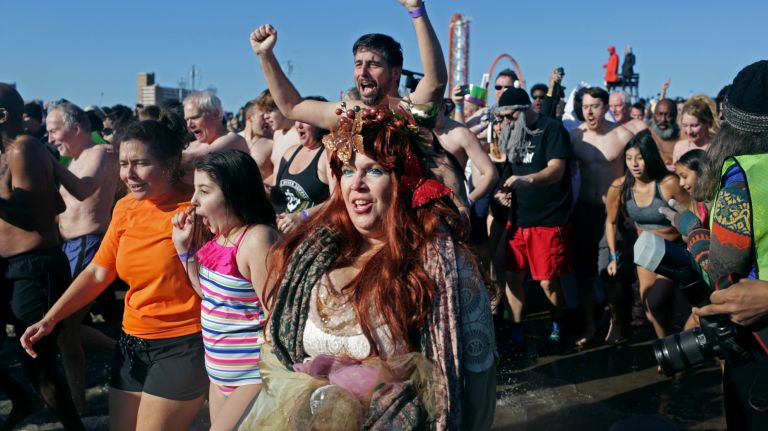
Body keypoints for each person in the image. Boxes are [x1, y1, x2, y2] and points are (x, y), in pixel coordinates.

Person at [239, 102, 495, 430]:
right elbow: (281, 351)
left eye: (374, 170)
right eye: (347, 170)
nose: (356, 183)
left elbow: (476, 391)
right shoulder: (317, 254)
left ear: (404, 182)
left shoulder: (444, 266)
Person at [21, 119, 209, 431]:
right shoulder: (124, 208)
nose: (129, 174)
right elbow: (97, 272)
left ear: (170, 163)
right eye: (123, 164)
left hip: (183, 344)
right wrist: (50, 318)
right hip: (131, 342)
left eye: (141, 163)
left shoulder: (197, 207)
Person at [249, 0, 467, 215]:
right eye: (358, 64)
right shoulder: (351, 112)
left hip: (413, 226)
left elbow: (436, 80)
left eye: (373, 64)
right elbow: (293, 107)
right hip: (364, 225)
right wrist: (264, 55)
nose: (362, 72)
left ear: (395, 72)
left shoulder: (407, 110)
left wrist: (416, 10)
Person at [171, 150, 278, 431]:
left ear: (234, 192)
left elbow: (277, 316)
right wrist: (184, 250)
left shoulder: (256, 239)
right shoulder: (219, 238)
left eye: (203, 191)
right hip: (219, 376)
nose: (193, 201)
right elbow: (210, 297)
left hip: (252, 375)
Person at [0, 83, 85, 431]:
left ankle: (73, 427)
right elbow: (58, 202)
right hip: (10, 268)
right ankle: (22, 397)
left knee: (39, 364)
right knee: (35, 365)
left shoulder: (24, 148)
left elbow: (35, 218)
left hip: (35, 268)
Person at [46, 100, 118, 414]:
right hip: (67, 248)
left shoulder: (100, 153)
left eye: (54, 131)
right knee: (66, 329)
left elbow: (83, 191)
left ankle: (79, 400)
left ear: (75, 128)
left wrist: (46, 162)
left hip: (90, 245)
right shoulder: (72, 159)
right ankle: (78, 401)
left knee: (64, 325)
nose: (50, 139)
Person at [495, 88, 573, 352]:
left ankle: (558, 327)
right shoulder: (509, 132)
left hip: (548, 217)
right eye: (502, 117)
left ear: (523, 109)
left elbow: (557, 170)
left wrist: (527, 180)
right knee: (512, 277)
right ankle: (516, 333)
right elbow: (507, 170)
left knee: (548, 281)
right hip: (518, 218)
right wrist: (503, 192)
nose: (505, 121)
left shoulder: (550, 129)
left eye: (508, 116)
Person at [604, 130, 689, 340]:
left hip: (673, 249)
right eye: (629, 158)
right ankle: (669, 349)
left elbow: (691, 215)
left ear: (650, 157)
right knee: (650, 310)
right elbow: (611, 222)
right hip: (645, 252)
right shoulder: (619, 187)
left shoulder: (668, 183)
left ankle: (680, 347)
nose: (634, 164)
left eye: (640, 158)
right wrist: (613, 257)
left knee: (657, 300)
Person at [570, 86, 634, 346]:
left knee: (611, 273)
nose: (589, 111)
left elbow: (637, 172)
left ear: (605, 107)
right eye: (585, 106)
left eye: (594, 106)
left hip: (613, 212)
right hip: (585, 209)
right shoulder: (576, 137)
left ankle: (617, 324)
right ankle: (589, 325)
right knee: (584, 275)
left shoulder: (622, 135)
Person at [271, 96, 334, 234]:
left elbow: (337, 200)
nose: (298, 125)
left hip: (312, 234)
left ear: (320, 122)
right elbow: (276, 194)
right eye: (297, 119)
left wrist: (303, 216)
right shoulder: (290, 152)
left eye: (305, 120)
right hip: (281, 232)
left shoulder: (327, 155)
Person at [181, 91, 249, 183]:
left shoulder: (234, 140)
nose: (189, 125)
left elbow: (193, 159)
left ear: (215, 114)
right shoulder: (194, 145)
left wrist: (158, 158)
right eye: (187, 120)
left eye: (195, 117)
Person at [257, 90, 299, 184]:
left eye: (269, 111)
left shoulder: (301, 135)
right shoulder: (277, 134)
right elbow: (277, 175)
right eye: (264, 112)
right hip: (278, 196)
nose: (265, 117)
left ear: (283, 107)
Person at [239, 95, 275, 185]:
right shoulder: (235, 140)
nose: (267, 120)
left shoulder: (272, 143)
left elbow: (280, 173)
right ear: (249, 117)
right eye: (262, 117)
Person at [672, 95, 718, 163]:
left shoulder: (717, 149)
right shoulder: (679, 148)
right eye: (685, 125)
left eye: (694, 126)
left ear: (708, 123)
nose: (689, 131)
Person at [674, 149, 709, 223]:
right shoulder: (696, 201)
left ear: (701, 172)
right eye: (679, 177)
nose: (681, 183)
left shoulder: (718, 199)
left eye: (684, 176)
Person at [649, 99, 680, 170]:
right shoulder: (647, 135)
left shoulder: (684, 136)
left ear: (675, 116)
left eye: (668, 115)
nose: (663, 120)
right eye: (659, 114)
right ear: (654, 115)